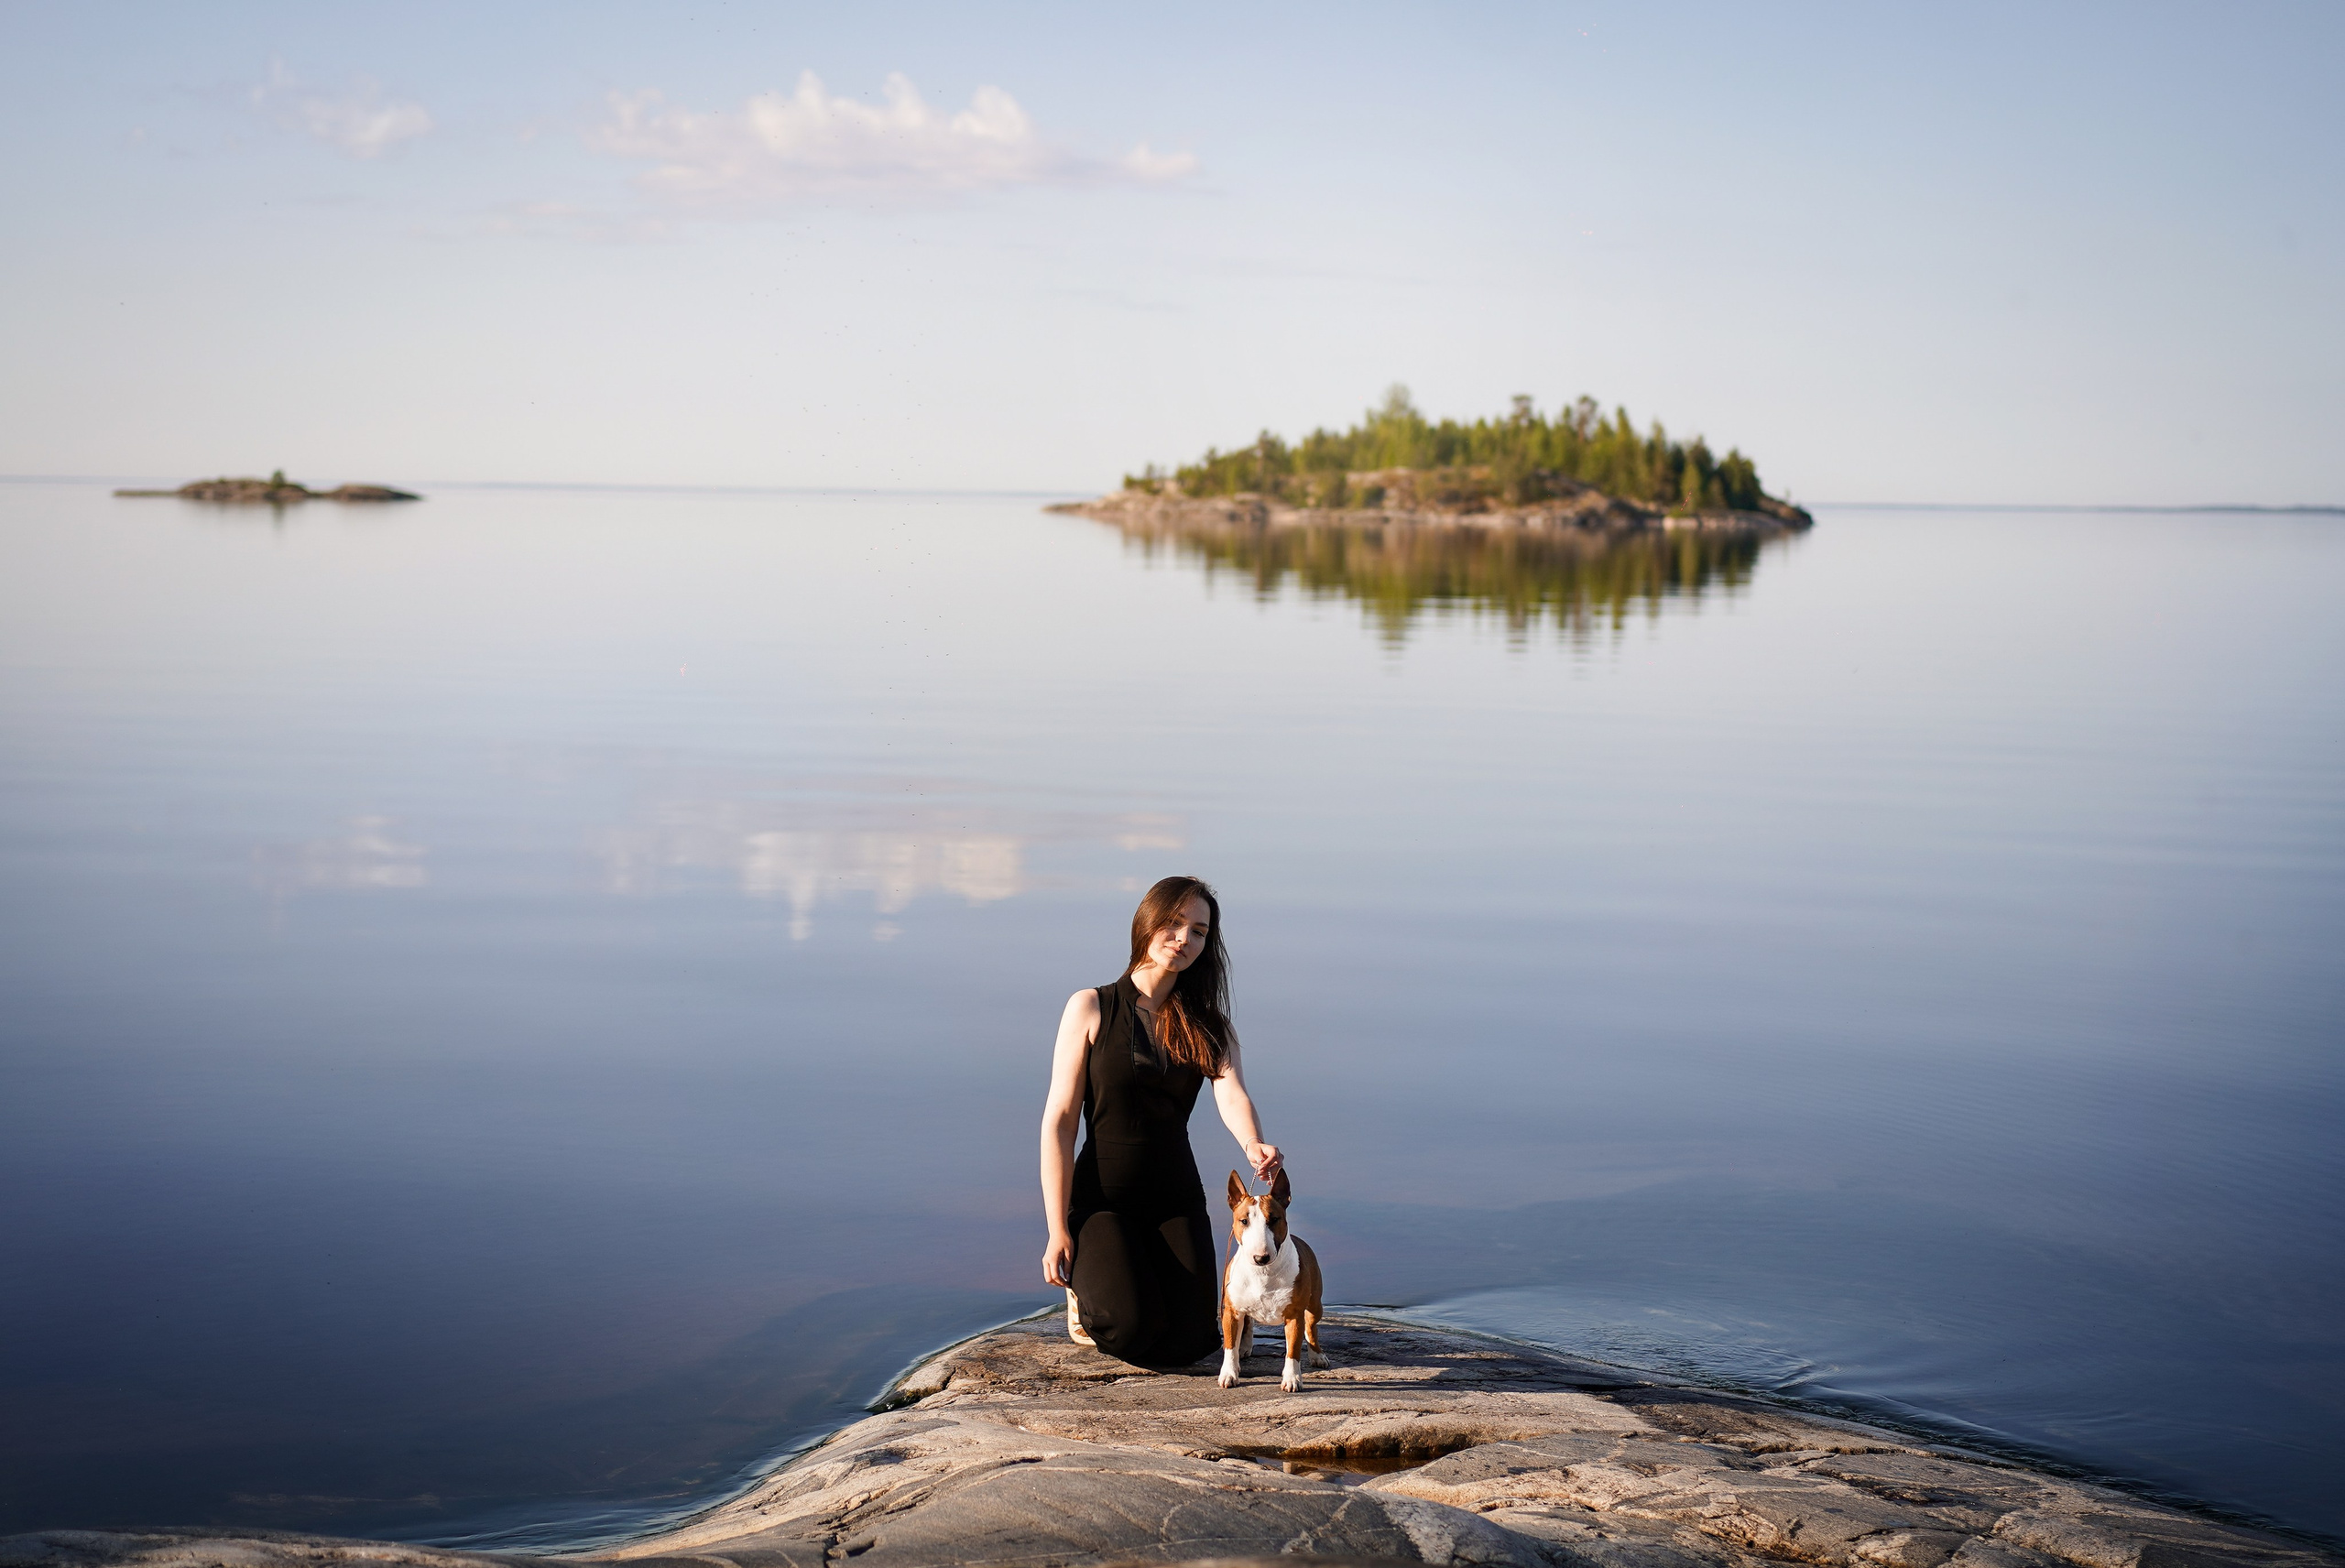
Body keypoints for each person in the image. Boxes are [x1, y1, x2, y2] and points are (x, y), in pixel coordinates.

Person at [1039, 876, 1282, 1367]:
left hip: (1174, 1196)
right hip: (1104, 1200)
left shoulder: (1209, 1024)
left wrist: (1253, 1143)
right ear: (1146, 924)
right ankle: (1086, 1296)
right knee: (1129, 1329)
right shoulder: (1091, 1006)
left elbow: (1231, 1091)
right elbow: (1060, 1122)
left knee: (1192, 1343)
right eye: (1172, 924)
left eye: (1197, 930)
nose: (1183, 939)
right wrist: (1057, 1229)